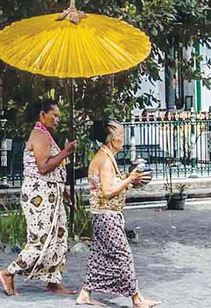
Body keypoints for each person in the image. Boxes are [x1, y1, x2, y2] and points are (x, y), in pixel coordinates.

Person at [0, 99, 77, 296]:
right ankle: (9, 272)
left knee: (59, 235)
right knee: (40, 238)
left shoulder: (46, 134)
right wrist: (67, 151)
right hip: (40, 195)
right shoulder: (40, 135)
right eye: (54, 115)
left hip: (51, 193)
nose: (58, 119)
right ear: (42, 114)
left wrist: (64, 192)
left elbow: (53, 169)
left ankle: (52, 279)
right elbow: (43, 167)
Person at [75, 121, 159, 308]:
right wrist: (130, 178)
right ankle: (136, 298)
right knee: (123, 254)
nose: (124, 138)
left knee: (100, 254)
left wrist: (128, 181)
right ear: (114, 140)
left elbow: (111, 184)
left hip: (103, 214)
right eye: (121, 135)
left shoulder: (105, 156)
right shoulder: (105, 160)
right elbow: (107, 190)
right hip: (106, 215)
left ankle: (85, 293)